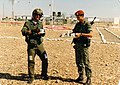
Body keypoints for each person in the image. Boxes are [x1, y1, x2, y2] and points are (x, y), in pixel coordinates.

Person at [21, 8, 48, 84]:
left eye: (39, 16)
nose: (38, 17)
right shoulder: (28, 23)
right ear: (33, 15)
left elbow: (43, 31)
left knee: (45, 58)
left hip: (39, 45)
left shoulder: (40, 23)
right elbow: (23, 31)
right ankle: (31, 77)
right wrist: (30, 32)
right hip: (31, 46)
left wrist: (42, 33)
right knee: (31, 61)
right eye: (36, 15)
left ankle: (44, 74)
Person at [72, 10, 92, 85]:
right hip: (78, 45)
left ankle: (89, 78)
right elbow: (74, 32)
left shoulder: (87, 24)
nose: (77, 18)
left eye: (78, 16)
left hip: (84, 46)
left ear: (82, 16)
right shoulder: (77, 24)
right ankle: (80, 76)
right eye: (77, 16)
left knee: (86, 62)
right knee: (79, 62)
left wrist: (81, 34)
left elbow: (91, 35)